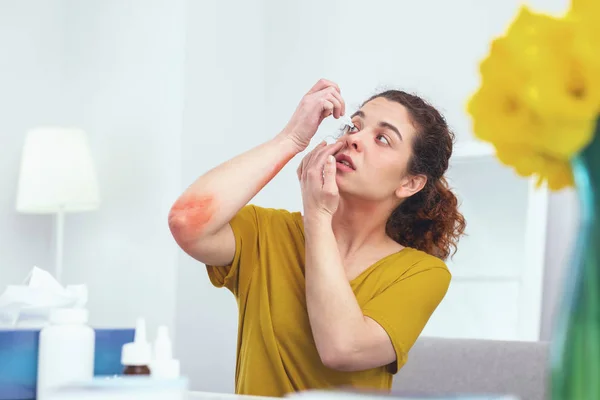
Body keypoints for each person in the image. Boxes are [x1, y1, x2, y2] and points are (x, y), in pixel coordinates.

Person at [168, 79, 466, 397]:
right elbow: (187, 220)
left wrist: (318, 217)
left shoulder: (423, 273)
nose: (354, 139)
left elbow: (342, 348)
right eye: (354, 126)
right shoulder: (267, 232)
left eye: (382, 138)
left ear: (409, 183)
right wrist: (291, 138)